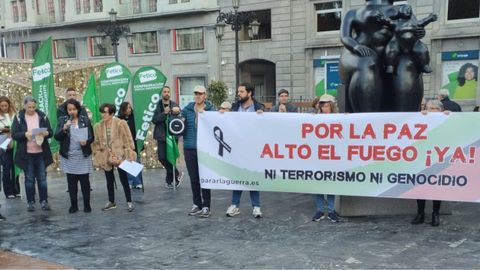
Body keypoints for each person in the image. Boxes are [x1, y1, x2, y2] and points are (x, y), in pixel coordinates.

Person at [227, 83, 264, 218]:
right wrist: (221, 114)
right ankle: (235, 205)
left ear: (249, 93)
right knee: (238, 176)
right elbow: (227, 121)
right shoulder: (235, 107)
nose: (239, 94)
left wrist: (262, 115)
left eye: (241, 92)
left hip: (254, 148)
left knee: (252, 176)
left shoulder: (259, 107)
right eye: (238, 91)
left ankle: (256, 206)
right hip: (238, 149)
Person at [11, 96, 53, 212]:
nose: (31, 109)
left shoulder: (42, 116)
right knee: (29, 179)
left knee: (42, 178)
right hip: (26, 153)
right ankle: (30, 202)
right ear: (24, 106)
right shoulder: (19, 117)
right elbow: (14, 134)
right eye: (29, 107)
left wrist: (45, 133)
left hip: (41, 152)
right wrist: (24, 134)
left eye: (33, 107)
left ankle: (44, 201)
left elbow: (50, 132)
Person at [92, 103, 136, 212]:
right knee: (109, 179)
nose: (103, 114)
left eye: (105, 112)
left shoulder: (121, 123)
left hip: (120, 155)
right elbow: (95, 143)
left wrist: (128, 152)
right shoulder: (98, 126)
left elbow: (128, 139)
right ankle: (111, 201)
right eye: (102, 112)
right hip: (106, 156)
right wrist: (98, 154)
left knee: (124, 179)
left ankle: (129, 202)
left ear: (112, 113)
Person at [55, 99, 94, 213]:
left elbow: (92, 137)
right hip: (69, 156)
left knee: (84, 182)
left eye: (74, 109)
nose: (72, 112)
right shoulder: (62, 120)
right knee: (71, 183)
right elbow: (57, 136)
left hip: (82, 155)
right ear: (67, 111)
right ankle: (74, 205)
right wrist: (64, 128)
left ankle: (87, 205)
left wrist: (86, 141)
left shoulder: (85, 120)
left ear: (78, 109)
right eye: (69, 110)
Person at [411, 99, 447, 227]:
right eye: (430, 108)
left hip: (439, 158)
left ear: (441, 110)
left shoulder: (447, 118)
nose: (433, 111)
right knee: (421, 187)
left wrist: (452, 115)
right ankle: (420, 213)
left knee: (437, 188)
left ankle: (435, 213)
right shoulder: (420, 118)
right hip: (422, 158)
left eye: (436, 109)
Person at [183, 85, 215, 218]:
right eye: (196, 93)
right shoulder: (187, 109)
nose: (198, 96)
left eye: (200, 94)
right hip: (189, 148)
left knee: (205, 178)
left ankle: (206, 206)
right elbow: (177, 125)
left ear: (205, 95)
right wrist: (175, 115)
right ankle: (197, 204)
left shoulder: (211, 110)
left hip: (205, 150)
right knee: (194, 178)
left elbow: (220, 122)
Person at [311, 94, 340, 223]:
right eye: (322, 105)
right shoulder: (315, 119)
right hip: (318, 156)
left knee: (331, 184)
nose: (324, 108)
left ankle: (331, 210)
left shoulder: (338, 119)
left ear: (331, 106)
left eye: (327, 105)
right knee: (318, 184)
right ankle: (320, 210)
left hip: (332, 156)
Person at [152, 86, 183, 189]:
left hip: (172, 136)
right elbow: (154, 120)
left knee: (170, 159)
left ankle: (169, 181)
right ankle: (177, 174)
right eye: (164, 92)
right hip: (161, 136)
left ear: (170, 93)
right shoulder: (157, 105)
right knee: (162, 158)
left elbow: (180, 116)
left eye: (168, 92)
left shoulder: (174, 104)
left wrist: (177, 111)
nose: (166, 93)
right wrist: (164, 113)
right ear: (162, 93)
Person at [118, 102, 143, 190]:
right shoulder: (119, 120)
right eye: (127, 108)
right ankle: (130, 182)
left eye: (130, 108)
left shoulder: (134, 118)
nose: (129, 109)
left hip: (134, 143)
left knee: (136, 162)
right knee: (127, 163)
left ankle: (137, 182)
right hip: (124, 145)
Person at [0, 96, 21, 199]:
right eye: (2, 106)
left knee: (15, 167)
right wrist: (2, 129)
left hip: (15, 143)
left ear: (9, 105)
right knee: (6, 168)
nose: (4, 108)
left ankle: (16, 189)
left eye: (6, 105)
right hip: (4, 145)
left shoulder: (14, 115)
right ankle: (8, 191)